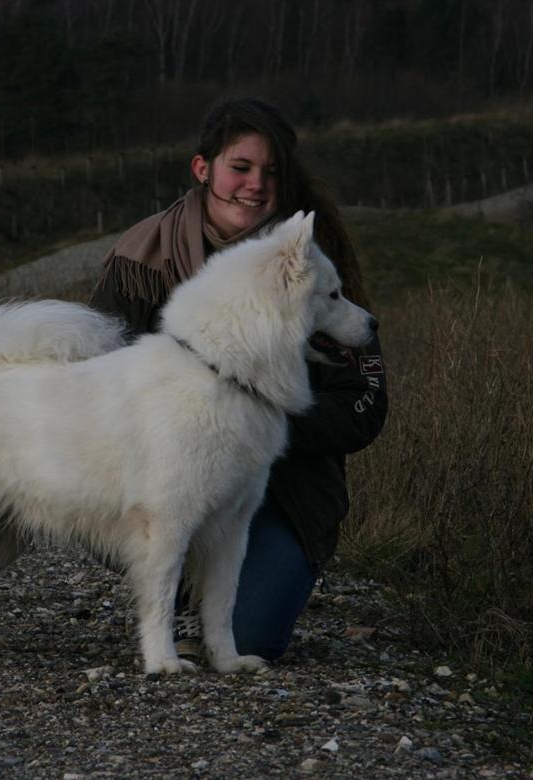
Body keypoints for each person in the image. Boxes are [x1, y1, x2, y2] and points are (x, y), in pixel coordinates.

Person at [88, 97, 388, 662]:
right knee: (139, 501)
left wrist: (258, 425)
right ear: (203, 169)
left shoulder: (314, 261)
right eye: (241, 167)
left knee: (252, 641)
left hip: (289, 491)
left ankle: (223, 592)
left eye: (271, 171)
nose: (256, 185)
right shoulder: (139, 260)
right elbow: (94, 380)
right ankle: (174, 598)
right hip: (168, 477)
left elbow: (366, 404)